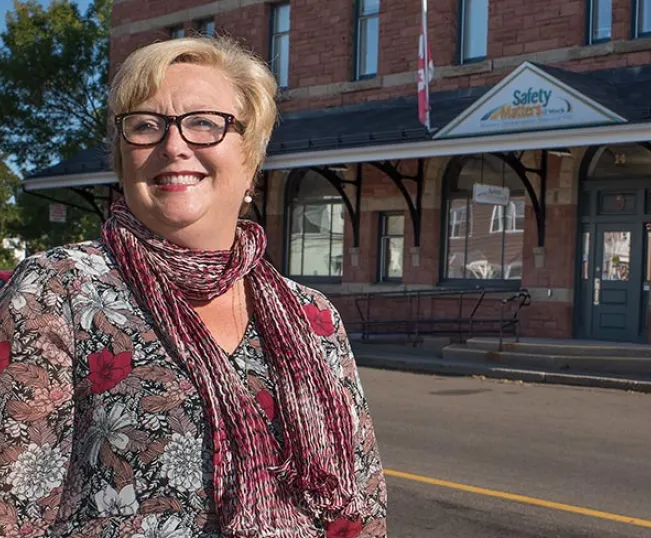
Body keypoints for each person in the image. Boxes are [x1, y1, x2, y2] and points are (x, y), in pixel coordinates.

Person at [0, 36, 387, 537]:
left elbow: (364, 497)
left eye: (205, 122)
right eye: (145, 126)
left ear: (250, 160)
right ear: (124, 159)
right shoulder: (58, 290)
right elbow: (13, 505)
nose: (174, 145)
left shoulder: (312, 315)